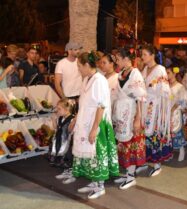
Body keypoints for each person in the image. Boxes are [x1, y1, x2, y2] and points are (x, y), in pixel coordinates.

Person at [67, 52, 119, 199]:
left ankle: (100, 185)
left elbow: (101, 105)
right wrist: (75, 119)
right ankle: (94, 182)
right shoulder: (86, 80)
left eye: (79, 66)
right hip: (85, 119)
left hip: (97, 121)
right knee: (88, 152)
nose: (78, 69)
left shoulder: (99, 80)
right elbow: (82, 103)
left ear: (86, 65)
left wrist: (95, 128)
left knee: (97, 152)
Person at [112, 47, 147, 190]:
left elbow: (140, 97)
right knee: (123, 143)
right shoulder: (121, 74)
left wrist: (137, 118)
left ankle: (131, 176)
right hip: (121, 112)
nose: (117, 62)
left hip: (131, 111)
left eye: (118, 59)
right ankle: (128, 172)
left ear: (126, 59)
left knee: (131, 143)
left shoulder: (135, 73)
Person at [137, 45, 172, 177]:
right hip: (145, 105)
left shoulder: (160, 69)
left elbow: (164, 91)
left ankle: (157, 164)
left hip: (156, 107)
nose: (142, 57)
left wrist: (161, 111)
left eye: (145, 54)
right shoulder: (145, 69)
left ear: (152, 55)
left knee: (154, 134)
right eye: (142, 54)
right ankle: (144, 161)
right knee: (144, 134)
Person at [166, 65, 187, 162]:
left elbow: (183, 100)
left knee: (177, 132)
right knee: (167, 133)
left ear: (174, 73)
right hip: (166, 112)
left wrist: (173, 108)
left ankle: (181, 150)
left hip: (175, 113)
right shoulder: (165, 86)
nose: (166, 75)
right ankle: (169, 152)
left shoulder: (180, 87)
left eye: (168, 73)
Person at [50, 99, 75, 170]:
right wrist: (54, 120)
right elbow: (56, 128)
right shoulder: (60, 118)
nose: (57, 111)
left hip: (67, 139)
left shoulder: (72, 119)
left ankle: (66, 165)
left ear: (66, 109)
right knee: (57, 148)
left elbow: (71, 130)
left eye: (59, 109)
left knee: (66, 152)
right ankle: (58, 162)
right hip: (59, 138)